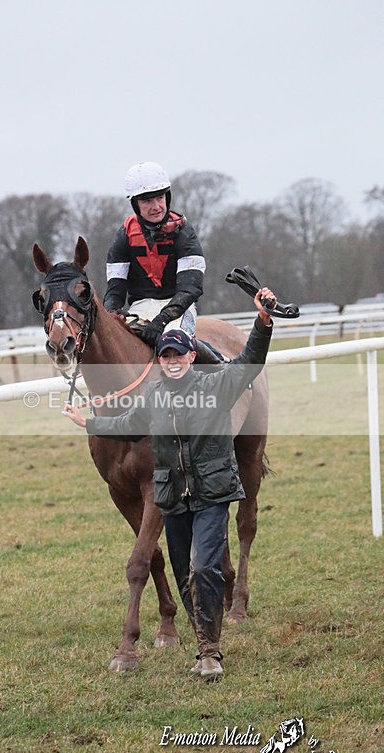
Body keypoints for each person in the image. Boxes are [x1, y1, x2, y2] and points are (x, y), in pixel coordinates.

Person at [63, 287, 276, 680]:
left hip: (211, 495)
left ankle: (210, 653)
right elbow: (127, 427)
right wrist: (87, 422)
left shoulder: (217, 385)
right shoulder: (154, 395)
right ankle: (203, 641)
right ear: (159, 361)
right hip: (174, 498)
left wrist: (262, 322)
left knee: (204, 567)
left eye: (179, 355)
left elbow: (248, 362)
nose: (173, 362)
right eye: (166, 356)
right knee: (184, 577)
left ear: (192, 356)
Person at [104, 161, 220, 364]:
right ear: (135, 204)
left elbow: (190, 289)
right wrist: (111, 314)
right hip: (140, 307)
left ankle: (221, 367)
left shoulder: (184, 231)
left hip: (180, 308)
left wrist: (161, 321)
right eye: (147, 201)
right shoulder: (124, 235)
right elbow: (115, 290)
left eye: (160, 198)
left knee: (173, 343)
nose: (156, 207)